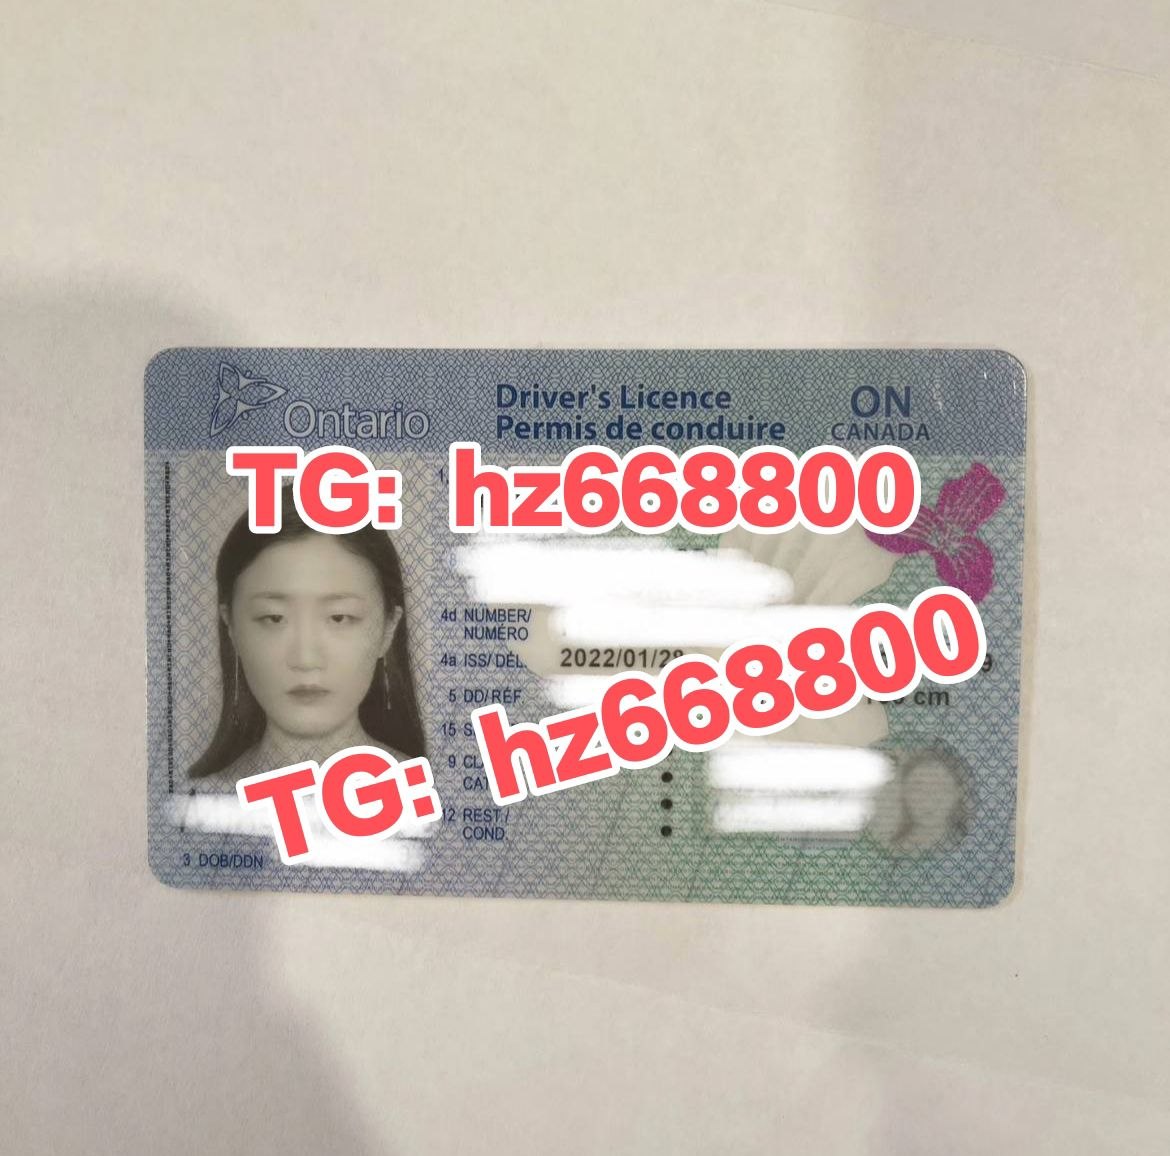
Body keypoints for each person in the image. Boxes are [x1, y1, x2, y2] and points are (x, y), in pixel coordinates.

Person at [188, 485, 426, 790]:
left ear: (388, 628)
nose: (305, 658)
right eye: (274, 618)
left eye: (339, 618)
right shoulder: (197, 803)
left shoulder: (431, 798)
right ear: (231, 626)